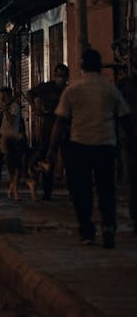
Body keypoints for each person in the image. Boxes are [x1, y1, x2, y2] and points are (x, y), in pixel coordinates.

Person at [42, 48, 132, 248]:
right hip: (106, 146)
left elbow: (61, 123)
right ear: (100, 66)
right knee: (106, 189)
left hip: (80, 146)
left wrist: (51, 149)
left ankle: (87, 231)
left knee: (82, 191)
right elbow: (125, 118)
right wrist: (131, 141)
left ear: (81, 66)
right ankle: (108, 228)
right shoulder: (110, 89)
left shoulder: (73, 89)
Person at [27, 63, 69, 200]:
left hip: (65, 127)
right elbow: (30, 93)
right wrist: (34, 108)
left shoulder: (69, 90)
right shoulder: (46, 87)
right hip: (49, 125)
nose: (60, 79)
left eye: (63, 76)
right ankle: (47, 191)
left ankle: (72, 190)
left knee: (69, 159)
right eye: (58, 75)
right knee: (47, 158)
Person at [116, 49, 137, 236]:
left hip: (128, 140)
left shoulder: (124, 86)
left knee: (133, 180)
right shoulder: (123, 86)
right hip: (129, 140)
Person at [0, 87, 27, 201]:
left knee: (13, 165)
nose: (2, 98)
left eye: (3, 95)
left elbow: (11, 120)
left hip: (12, 139)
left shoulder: (14, 107)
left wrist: (5, 110)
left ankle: (15, 188)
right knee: (7, 163)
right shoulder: (8, 105)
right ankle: (12, 189)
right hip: (5, 137)